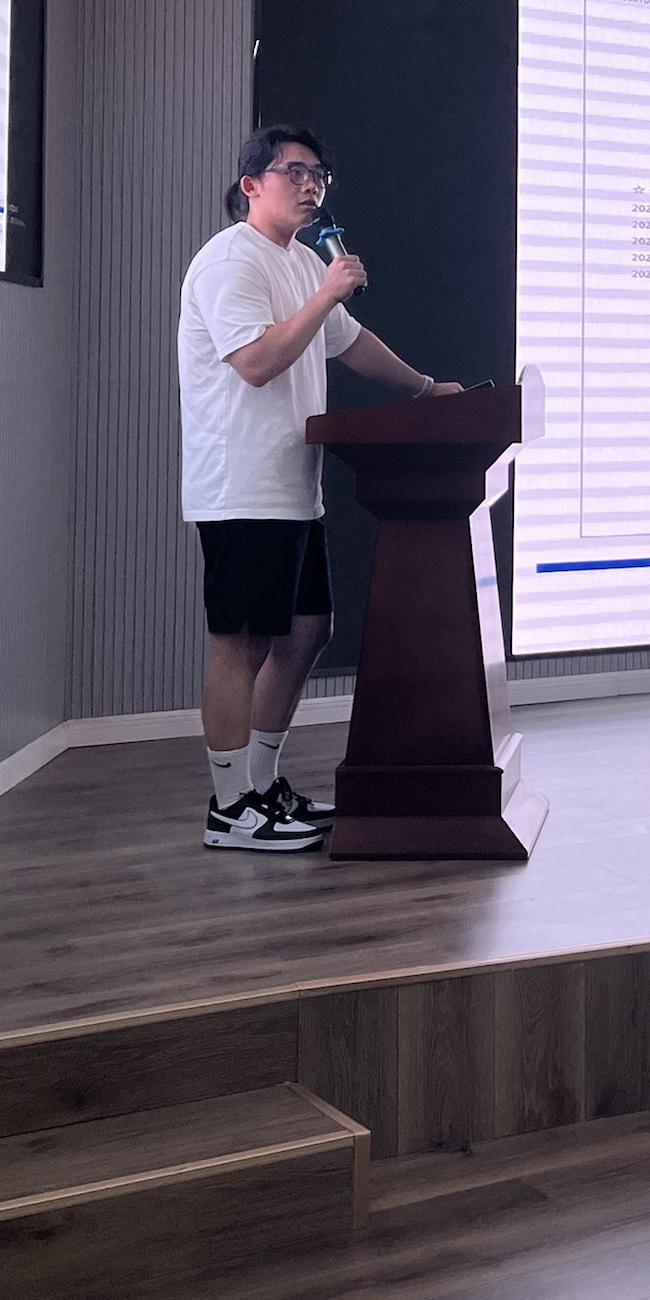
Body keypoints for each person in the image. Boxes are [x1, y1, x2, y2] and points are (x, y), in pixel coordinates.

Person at [178, 126, 458, 851]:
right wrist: (327, 294)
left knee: (307, 632)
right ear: (251, 185)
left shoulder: (304, 261)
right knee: (241, 641)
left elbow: (349, 342)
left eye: (320, 175)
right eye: (294, 172)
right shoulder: (229, 260)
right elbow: (254, 363)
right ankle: (229, 809)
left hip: (292, 484)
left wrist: (426, 390)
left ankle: (262, 785)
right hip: (240, 482)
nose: (311, 186)